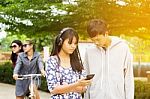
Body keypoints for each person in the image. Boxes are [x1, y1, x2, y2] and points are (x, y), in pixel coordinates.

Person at [84, 19, 134, 99]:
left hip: (117, 96)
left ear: (106, 34)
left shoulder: (123, 48)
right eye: (93, 40)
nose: (96, 43)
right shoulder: (89, 51)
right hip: (96, 96)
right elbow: (86, 77)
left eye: (98, 39)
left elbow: (128, 77)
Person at [45, 27, 91, 99]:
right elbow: (53, 89)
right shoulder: (52, 61)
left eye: (75, 43)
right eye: (70, 43)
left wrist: (65, 87)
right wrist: (76, 85)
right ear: (60, 42)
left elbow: (84, 88)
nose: (73, 46)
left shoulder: (76, 61)